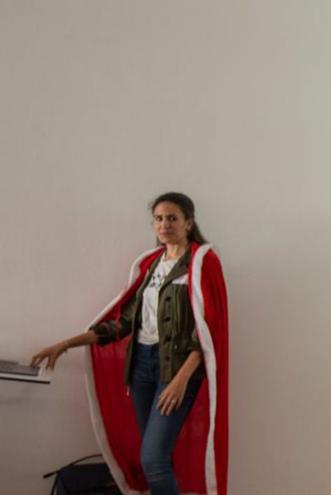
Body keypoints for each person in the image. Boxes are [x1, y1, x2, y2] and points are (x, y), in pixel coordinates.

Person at [32, 192, 229, 495]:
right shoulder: (150, 264)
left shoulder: (203, 263)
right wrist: (66, 344)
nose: (165, 224)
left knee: (152, 460)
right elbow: (122, 323)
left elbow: (206, 331)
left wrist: (181, 380)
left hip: (175, 370)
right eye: (159, 219)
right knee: (156, 456)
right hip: (141, 369)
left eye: (172, 218)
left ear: (188, 223)